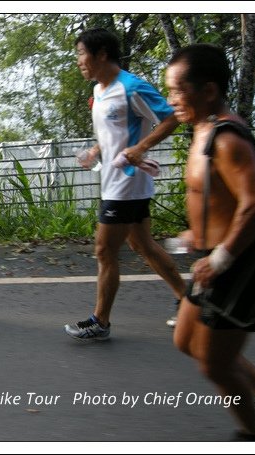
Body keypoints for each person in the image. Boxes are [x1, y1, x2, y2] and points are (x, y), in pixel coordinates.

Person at [165, 43, 255, 440]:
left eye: (178, 90)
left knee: (215, 366)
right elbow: (220, 199)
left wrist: (219, 257)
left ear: (208, 90)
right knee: (186, 340)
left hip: (238, 265)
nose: (173, 100)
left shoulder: (227, 139)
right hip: (212, 258)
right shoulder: (203, 130)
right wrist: (195, 236)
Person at [64, 28, 187, 341]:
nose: (79, 61)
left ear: (102, 53)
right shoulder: (101, 91)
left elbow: (172, 117)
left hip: (127, 184)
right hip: (114, 180)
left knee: (104, 250)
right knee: (142, 244)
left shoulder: (131, 87)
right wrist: (96, 150)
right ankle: (188, 301)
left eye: (81, 53)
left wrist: (141, 148)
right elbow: (113, 135)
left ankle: (100, 321)